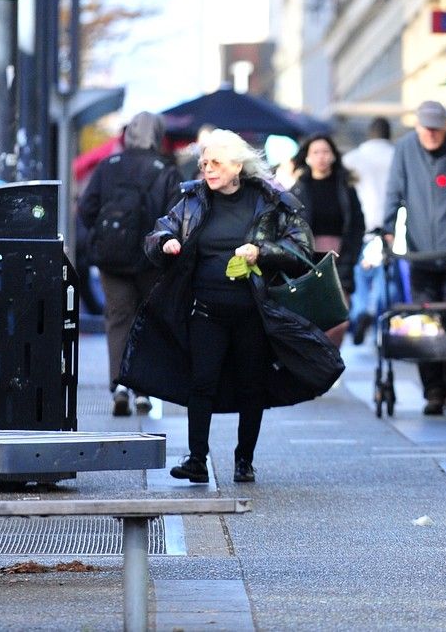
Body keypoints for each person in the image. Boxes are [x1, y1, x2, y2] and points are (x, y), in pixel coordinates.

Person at [121, 129, 344, 485]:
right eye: (204, 163)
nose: (208, 169)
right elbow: (159, 231)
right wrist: (165, 243)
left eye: (215, 163)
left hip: (254, 313)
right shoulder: (193, 201)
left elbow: (301, 248)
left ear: (237, 165)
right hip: (206, 310)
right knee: (201, 383)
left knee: (252, 387)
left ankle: (244, 460)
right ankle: (196, 458)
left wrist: (262, 251)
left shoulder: (270, 201)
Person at [77, 111, 181, 416]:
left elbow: (86, 209)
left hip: (112, 259)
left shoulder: (108, 166)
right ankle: (143, 390)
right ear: (158, 135)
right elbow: (176, 215)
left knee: (118, 318)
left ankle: (119, 385)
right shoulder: (166, 169)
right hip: (151, 259)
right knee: (146, 321)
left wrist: (104, 235)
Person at [383, 100, 446, 414]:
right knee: (425, 321)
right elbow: (394, 192)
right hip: (419, 251)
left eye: (438, 128)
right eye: (427, 128)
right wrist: (387, 229)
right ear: (417, 126)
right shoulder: (405, 149)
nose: (432, 135)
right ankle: (433, 391)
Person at [288, 133, 366, 314]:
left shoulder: (345, 188)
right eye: (315, 152)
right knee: (312, 315)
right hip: (307, 261)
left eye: (325, 151)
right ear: (307, 157)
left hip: (341, 258)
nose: (321, 156)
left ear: (333, 155)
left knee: (338, 315)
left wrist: (351, 255)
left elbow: (357, 223)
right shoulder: (298, 190)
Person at [341, 118, 397, 343]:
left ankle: (361, 311)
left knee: (360, 278)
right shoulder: (397, 156)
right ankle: (379, 322)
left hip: (361, 227)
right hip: (390, 229)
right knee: (386, 279)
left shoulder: (352, 159)